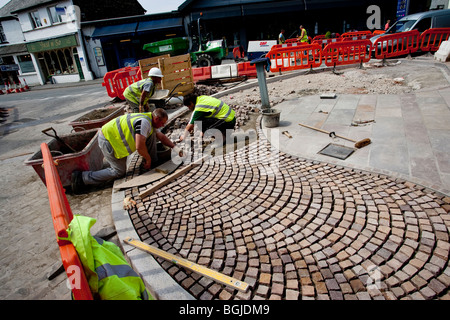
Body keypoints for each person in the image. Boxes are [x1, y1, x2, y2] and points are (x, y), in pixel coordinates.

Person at [71, 108, 181, 194]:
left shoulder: (149, 119)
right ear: (156, 119)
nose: (163, 126)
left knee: (152, 134)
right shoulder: (144, 123)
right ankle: (82, 178)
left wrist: (175, 148)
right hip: (108, 140)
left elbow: (161, 137)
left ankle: (154, 161)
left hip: (114, 136)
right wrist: (147, 159)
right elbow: (139, 146)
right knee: (118, 171)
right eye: (162, 123)